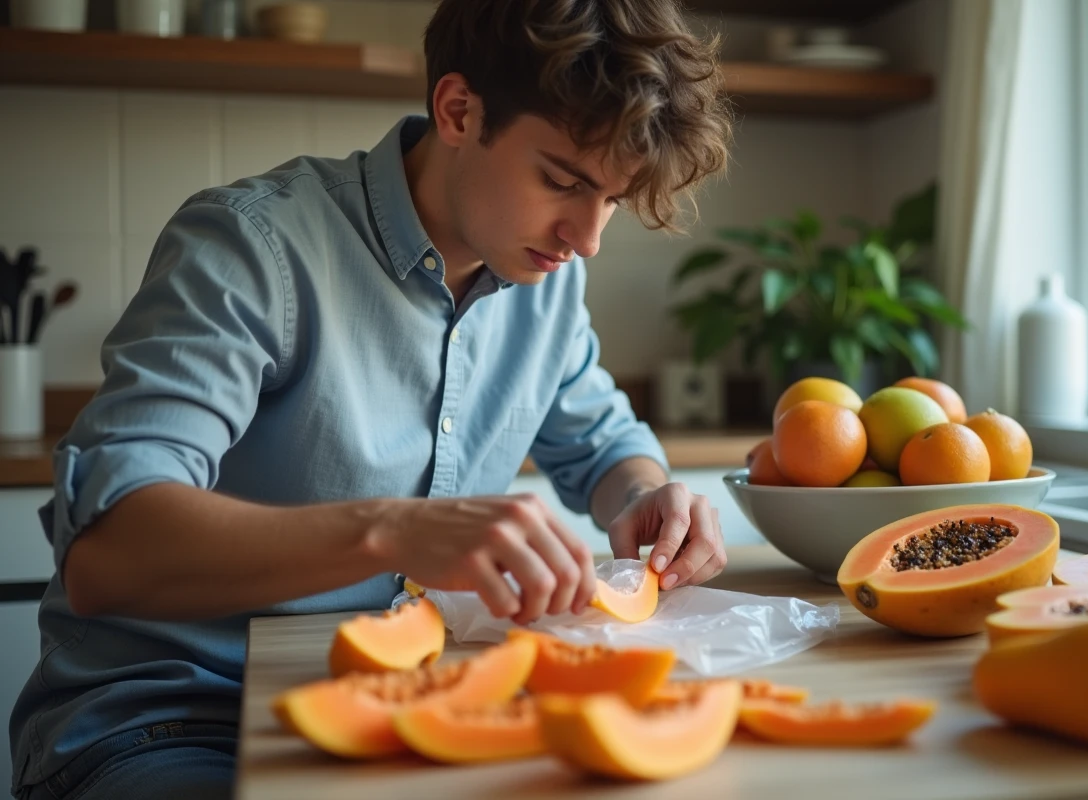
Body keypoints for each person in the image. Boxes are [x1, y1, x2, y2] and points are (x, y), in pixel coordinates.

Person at [8, 0, 734, 797]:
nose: (586, 237)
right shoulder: (253, 246)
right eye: (562, 179)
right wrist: (391, 530)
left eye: (613, 201)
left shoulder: (546, 282)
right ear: (458, 110)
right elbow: (108, 554)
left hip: (389, 709)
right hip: (169, 723)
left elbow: (603, 446)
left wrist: (647, 495)